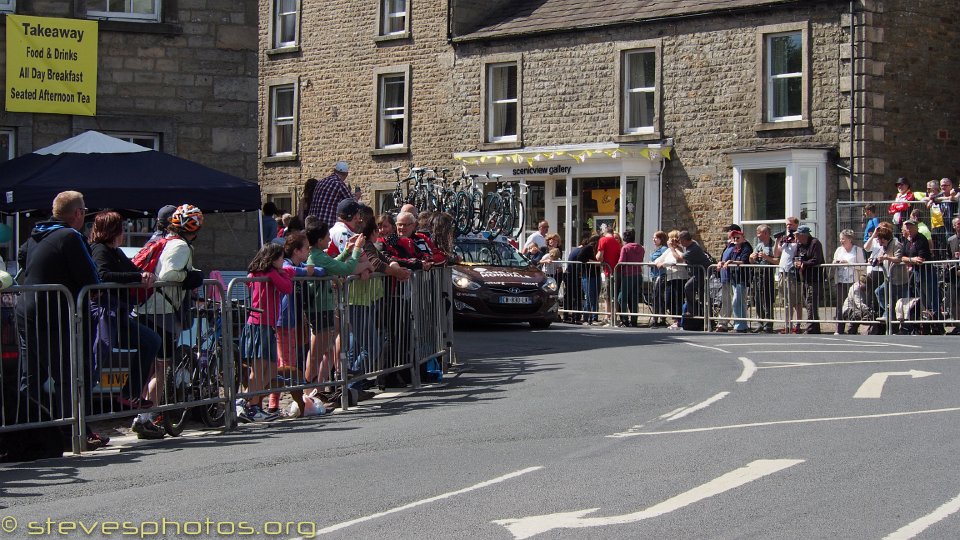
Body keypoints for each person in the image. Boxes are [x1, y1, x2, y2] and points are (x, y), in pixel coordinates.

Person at [16, 190, 106, 450]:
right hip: (53, 311)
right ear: (77, 214)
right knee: (68, 373)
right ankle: (73, 432)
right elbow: (91, 278)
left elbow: (23, 258)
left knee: (30, 375)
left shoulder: (36, 234)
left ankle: (27, 433)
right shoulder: (70, 236)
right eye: (84, 211)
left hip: (27, 308)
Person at [87, 211, 166, 439]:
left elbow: (133, 270)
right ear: (113, 231)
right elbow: (103, 275)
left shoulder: (115, 251)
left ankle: (130, 392)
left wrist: (144, 275)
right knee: (95, 362)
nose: (124, 233)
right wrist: (136, 278)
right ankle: (79, 418)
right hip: (102, 314)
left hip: (117, 315)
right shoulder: (100, 250)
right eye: (121, 228)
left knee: (151, 340)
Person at [135, 204, 205, 432]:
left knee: (152, 367)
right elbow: (168, 275)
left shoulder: (165, 242)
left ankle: (142, 414)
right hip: (161, 311)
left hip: (150, 307)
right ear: (194, 230)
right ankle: (147, 417)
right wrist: (191, 275)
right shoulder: (181, 246)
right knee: (161, 367)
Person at [304, 222, 364, 397]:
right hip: (320, 308)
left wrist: (347, 250)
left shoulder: (318, 255)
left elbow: (333, 263)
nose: (330, 239)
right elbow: (346, 268)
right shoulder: (316, 256)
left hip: (324, 308)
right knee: (316, 353)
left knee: (323, 350)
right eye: (327, 237)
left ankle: (317, 389)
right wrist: (357, 250)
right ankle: (309, 392)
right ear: (320, 239)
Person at [266, 232, 323, 415]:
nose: (308, 251)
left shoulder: (298, 264)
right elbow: (293, 271)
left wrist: (311, 270)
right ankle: (274, 403)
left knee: (290, 361)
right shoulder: (287, 265)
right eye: (306, 248)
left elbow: (318, 270)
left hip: (296, 318)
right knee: (285, 363)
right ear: (297, 251)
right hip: (284, 319)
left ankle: (282, 402)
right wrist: (309, 271)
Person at [236, 244, 291, 422]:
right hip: (261, 324)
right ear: (273, 259)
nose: (283, 261)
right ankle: (250, 405)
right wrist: (283, 274)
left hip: (263, 325)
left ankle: (248, 401)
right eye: (281, 257)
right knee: (259, 369)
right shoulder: (271, 273)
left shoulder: (256, 273)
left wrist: (285, 272)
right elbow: (287, 288)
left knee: (271, 367)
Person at [900, 219, 940, 333]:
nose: (909, 229)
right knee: (921, 300)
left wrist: (910, 260)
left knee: (931, 299)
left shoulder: (921, 239)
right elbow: (903, 257)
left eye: (911, 227)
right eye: (907, 227)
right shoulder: (907, 241)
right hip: (916, 273)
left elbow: (920, 259)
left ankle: (936, 325)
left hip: (926, 272)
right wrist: (911, 259)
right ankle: (925, 326)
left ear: (916, 227)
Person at [669, 230, 711, 320]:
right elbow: (682, 248)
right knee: (702, 296)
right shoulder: (689, 245)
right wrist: (676, 244)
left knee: (688, 287)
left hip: (702, 273)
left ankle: (692, 311)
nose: (679, 242)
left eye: (680, 241)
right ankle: (706, 317)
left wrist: (672, 248)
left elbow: (679, 259)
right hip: (697, 273)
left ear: (685, 240)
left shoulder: (693, 248)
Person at [717, 229, 753, 332]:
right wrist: (722, 262)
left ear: (743, 237)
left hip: (742, 278)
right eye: (734, 238)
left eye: (738, 237)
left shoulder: (746, 247)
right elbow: (728, 259)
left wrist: (731, 261)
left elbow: (744, 260)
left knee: (737, 301)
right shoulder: (734, 248)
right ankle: (740, 324)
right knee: (737, 301)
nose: (736, 239)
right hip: (734, 278)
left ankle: (741, 324)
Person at [831, 229, 866, 335]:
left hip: (853, 281)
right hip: (841, 281)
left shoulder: (857, 250)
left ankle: (852, 328)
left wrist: (849, 263)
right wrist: (835, 262)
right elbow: (833, 261)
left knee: (853, 305)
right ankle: (839, 328)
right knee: (840, 305)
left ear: (850, 239)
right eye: (840, 239)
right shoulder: (839, 250)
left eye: (843, 239)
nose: (841, 241)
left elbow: (862, 266)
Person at [871, 226, 908, 325]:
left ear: (883, 238)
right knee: (879, 292)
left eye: (878, 239)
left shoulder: (896, 244)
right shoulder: (884, 246)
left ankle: (904, 325)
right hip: (889, 278)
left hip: (900, 279)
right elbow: (882, 257)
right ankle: (888, 313)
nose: (877, 241)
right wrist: (877, 260)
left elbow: (899, 258)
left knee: (901, 304)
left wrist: (887, 258)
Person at [794, 225, 825, 334]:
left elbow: (817, 259)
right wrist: (797, 263)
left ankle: (811, 328)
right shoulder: (799, 245)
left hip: (814, 278)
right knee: (807, 303)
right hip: (804, 278)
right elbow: (796, 257)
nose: (796, 237)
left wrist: (804, 264)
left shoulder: (815, 243)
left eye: (798, 235)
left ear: (804, 235)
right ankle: (815, 328)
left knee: (811, 302)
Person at [775, 217, 803, 333]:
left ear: (796, 225)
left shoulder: (798, 239)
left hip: (792, 272)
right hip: (783, 271)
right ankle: (788, 324)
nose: (788, 226)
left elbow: (801, 252)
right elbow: (776, 254)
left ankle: (797, 324)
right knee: (786, 301)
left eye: (790, 224)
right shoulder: (786, 239)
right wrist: (777, 240)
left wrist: (797, 239)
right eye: (787, 224)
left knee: (796, 301)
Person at [306, 161, 353, 227]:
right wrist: (357, 196)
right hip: (326, 225)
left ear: (334, 170)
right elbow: (352, 204)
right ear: (346, 174)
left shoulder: (321, 182)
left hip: (312, 225)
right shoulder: (339, 184)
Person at [749, 224, 777, 333]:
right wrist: (752, 258)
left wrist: (766, 257)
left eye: (759, 233)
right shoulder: (759, 245)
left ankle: (768, 324)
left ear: (765, 233)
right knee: (758, 299)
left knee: (767, 300)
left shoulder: (774, 245)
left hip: (768, 275)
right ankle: (760, 322)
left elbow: (778, 261)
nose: (757, 235)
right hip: (758, 275)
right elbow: (750, 259)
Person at [616, 229, 645, 327]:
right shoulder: (641, 247)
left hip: (628, 275)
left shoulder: (625, 248)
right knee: (634, 298)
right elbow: (641, 259)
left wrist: (616, 268)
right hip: (638, 275)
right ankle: (634, 320)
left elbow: (621, 261)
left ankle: (625, 319)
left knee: (621, 298)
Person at [576, 234, 602, 324]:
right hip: (587, 275)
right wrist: (592, 262)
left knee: (595, 297)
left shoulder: (598, 249)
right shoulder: (588, 248)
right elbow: (580, 257)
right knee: (590, 297)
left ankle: (595, 317)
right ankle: (586, 317)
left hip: (596, 275)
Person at [648, 230, 669, 328]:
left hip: (661, 275)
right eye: (653, 238)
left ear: (661, 239)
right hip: (654, 275)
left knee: (657, 296)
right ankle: (657, 318)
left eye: (656, 238)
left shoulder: (664, 249)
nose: (654, 239)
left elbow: (666, 259)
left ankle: (659, 319)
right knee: (656, 297)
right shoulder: (656, 249)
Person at [946, 216, 960, 333]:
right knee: (954, 299)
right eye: (958, 224)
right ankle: (957, 323)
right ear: (954, 226)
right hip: (955, 274)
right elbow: (948, 255)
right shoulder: (951, 240)